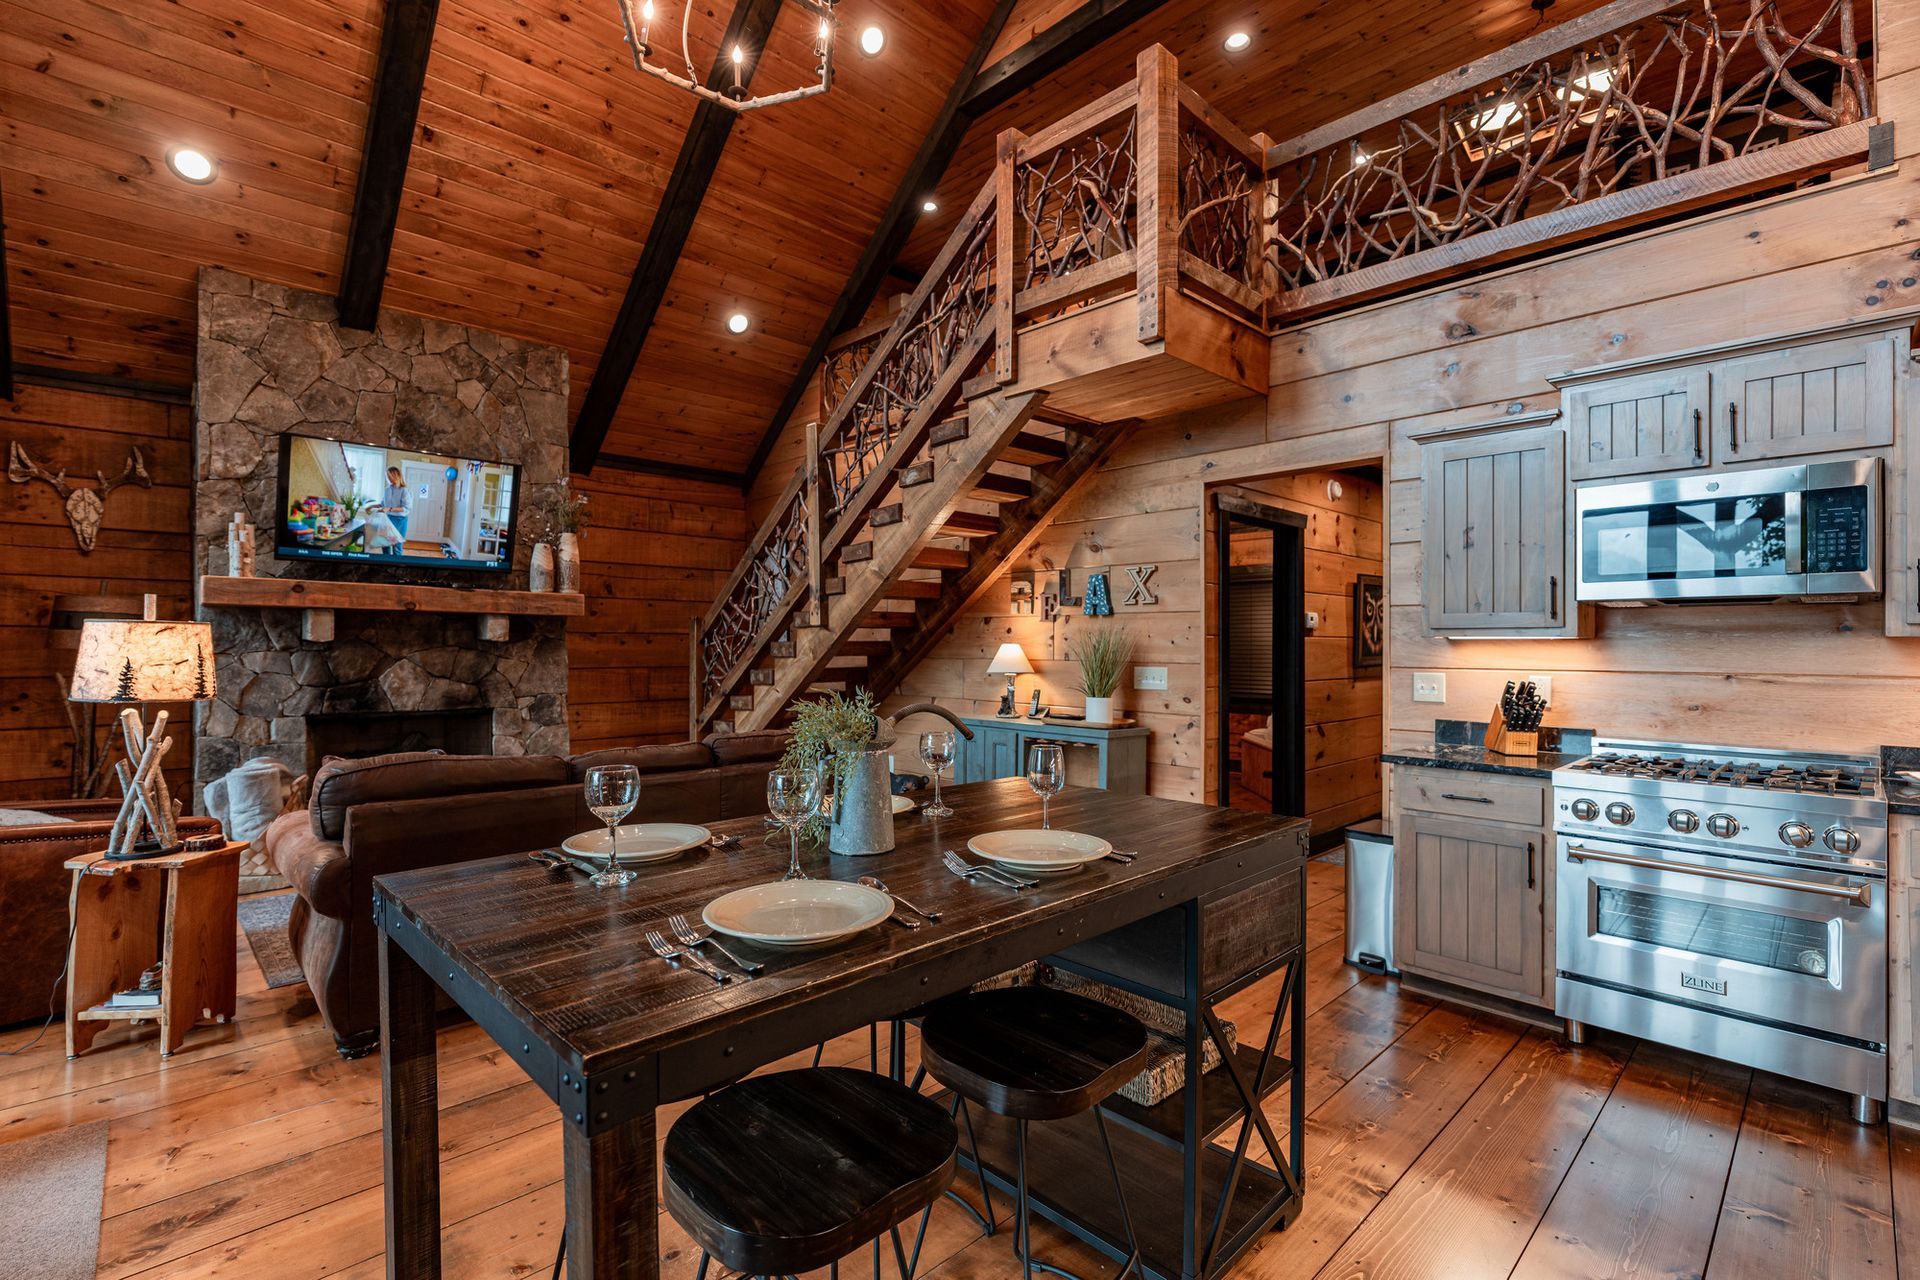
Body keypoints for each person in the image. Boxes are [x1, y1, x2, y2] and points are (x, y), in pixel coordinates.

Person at [376, 465, 410, 556]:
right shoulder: (387, 489)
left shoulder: (404, 491)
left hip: (400, 521)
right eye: (387, 476)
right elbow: (383, 503)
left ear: (396, 475)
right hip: (387, 519)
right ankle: (386, 564)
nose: (388, 478)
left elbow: (406, 508)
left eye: (390, 476)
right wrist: (373, 506)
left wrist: (390, 509)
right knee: (385, 543)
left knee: (397, 546)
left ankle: (396, 567)